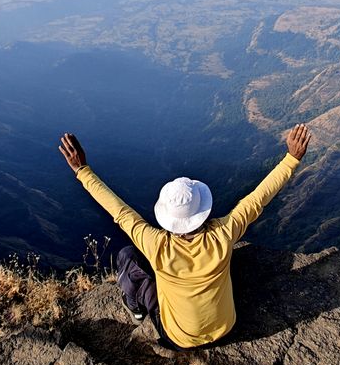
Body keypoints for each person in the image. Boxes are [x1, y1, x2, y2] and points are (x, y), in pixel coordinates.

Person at [58, 124, 312, 350]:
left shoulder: (156, 245)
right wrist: (291, 159)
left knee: (128, 256)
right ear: (201, 210)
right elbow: (258, 199)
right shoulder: (223, 235)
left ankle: (135, 309)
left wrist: (82, 170)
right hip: (226, 328)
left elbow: (118, 210)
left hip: (179, 339)